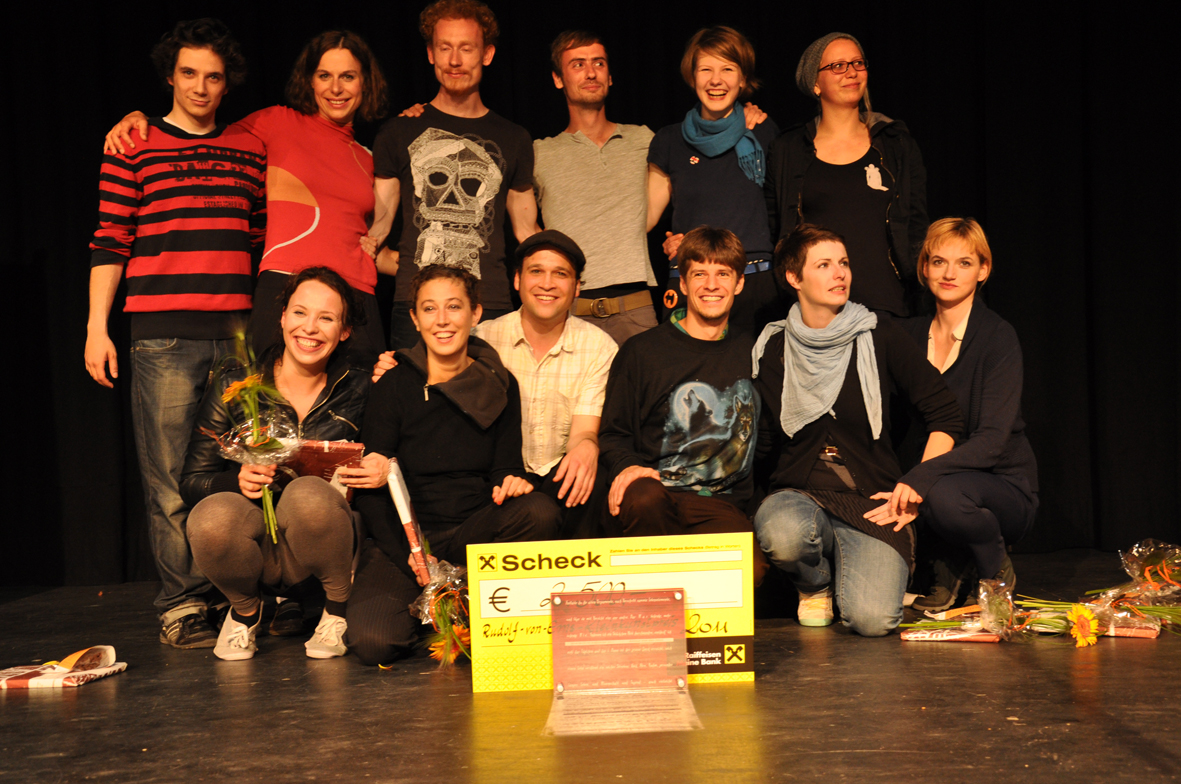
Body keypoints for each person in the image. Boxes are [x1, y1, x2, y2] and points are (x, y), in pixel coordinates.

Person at [86, 19, 265, 649]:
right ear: (170, 75)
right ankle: (182, 603)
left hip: (237, 337)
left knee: (243, 468)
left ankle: (243, 592)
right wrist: (96, 328)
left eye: (213, 77)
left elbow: (257, 238)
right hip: (162, 335)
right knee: (167, 479)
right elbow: (110, 239)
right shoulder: (133, 144)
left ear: (227, 83)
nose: (200, 87)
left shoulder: (250, 148)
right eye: (189, 73)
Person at [104, 30, 391, 363]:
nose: (336, 88)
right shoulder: (277, 122)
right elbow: (200, 131)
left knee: (361, 395)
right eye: (324, 76)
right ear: (309, 81)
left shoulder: (369, 158)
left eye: (348, 77)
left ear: (366, 82)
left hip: (356, 296)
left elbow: (373, 238)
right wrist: (137, 118)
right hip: (287, 289)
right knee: (270, 396)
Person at [752, 225, 961, 636]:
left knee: (873, 622)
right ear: (794, 278)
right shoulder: (774, 347)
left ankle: (857, 565)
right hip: (801, 493)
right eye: (824, 265)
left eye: (844, 263)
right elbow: (766, 438)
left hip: (870, 501)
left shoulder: (879, 334)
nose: (839, 273)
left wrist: (916, 484)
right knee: (784, 532)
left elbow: (945, 414)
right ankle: (815, 585)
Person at [348, 265, 561, 666]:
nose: (442, 320)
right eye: (429, 309)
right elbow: (370, 490)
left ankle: (463, 595)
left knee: (539, 511)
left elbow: (504, 468)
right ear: (415, 319)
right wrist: (411, 554)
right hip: (409, 538)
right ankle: (436, 605)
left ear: (475, 313)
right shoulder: (393, 385)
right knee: (372, 642)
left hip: (472, 533)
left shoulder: (500, 383)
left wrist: (511, 481)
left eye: (454, 307)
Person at [180, 267, 382, 661]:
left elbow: (387, 461)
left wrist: (378, 467)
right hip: (259, 548)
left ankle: (336, 611)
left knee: (307, 494)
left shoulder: (363, 384)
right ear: (283, 317)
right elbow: (192, 481)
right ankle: (245, 612)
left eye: (326, 318)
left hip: (333, 548)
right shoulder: (237, 383)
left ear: (344, 331)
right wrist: (237, 481)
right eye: (300, 313)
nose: (310, 328)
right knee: (210, 519)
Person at [368, 0, 539, 350]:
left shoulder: (514, 138)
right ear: (431, 54)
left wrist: (561, 268)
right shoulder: (399, 132)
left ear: (487, 54)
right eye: (445, 48)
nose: (455, 60)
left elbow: (526, 230)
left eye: (466, 48)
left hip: (489, 303)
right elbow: (378, 228)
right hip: (418, 304)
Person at [598, 226, 766, 581]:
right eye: (699, 274)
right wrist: (628, 467)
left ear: (739, 283)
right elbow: (613, 434)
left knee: (746, 573)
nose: (711, 285)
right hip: (653, 494)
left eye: (723, 274)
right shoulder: (642, 352)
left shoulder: (755, 351)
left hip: (721, 504)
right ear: (684, 284)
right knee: (645, 498)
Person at [901, 218, 1038, 611]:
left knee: (943, 494)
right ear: (924, 267)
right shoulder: (909, 336)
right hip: (940, 480)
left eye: (964, 263)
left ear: (983, 270)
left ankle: (995, 574)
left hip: (1001, 487)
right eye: (938, 261)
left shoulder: (997, 336)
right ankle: (952, 564)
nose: (949, 274)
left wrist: (921, 475)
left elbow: (992, 442)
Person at [765, 32, 927, 319]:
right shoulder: (788, 149)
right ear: (815, 83)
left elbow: (916, 226)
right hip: (817, 312)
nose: (851, 72)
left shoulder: (896, 144)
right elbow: (775, 229)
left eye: (858, 63)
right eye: (837, 66)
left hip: (886, 306)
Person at [475, 230, 618, 538]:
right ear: (517, 280)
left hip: (559, 475)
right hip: (497, 477)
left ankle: (578, 567)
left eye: (560, 274)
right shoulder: (483, 339)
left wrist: (587, 446)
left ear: (577, 287)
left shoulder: (599, 347)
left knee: (594, 476)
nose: (547, 284)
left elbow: (583, 431)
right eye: (536, 271)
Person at [647, 26, 781, 337]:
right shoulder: (669, 140)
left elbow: (780, 209)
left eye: (727, 69)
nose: (716, 80)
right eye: (705, 69)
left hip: (753, 280)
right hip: (692, 280)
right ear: (692, 76)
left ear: (742, 79)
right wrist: (672, 242)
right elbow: (647, 216)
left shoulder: (762, 131)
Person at [532, 31, 658, 344]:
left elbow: (700, 151)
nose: (590, 73)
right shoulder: (539, 152)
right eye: (578, 65)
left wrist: (745, 115)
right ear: (558, 79)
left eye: (598, 63)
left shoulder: (644, 139)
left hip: (635, 308)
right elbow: (520, 222)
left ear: (610, 76)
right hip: (568, 309)